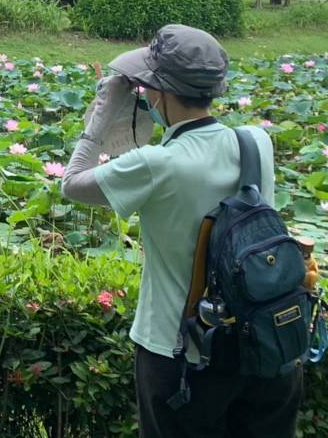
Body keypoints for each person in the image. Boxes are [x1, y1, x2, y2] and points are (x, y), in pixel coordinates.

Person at [59, 24, 301, 437]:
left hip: (182, 356)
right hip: (264, 345)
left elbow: (70, 183)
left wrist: (101, 117)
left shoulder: (156, 164)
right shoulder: (255, 141)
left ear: (157, 91)